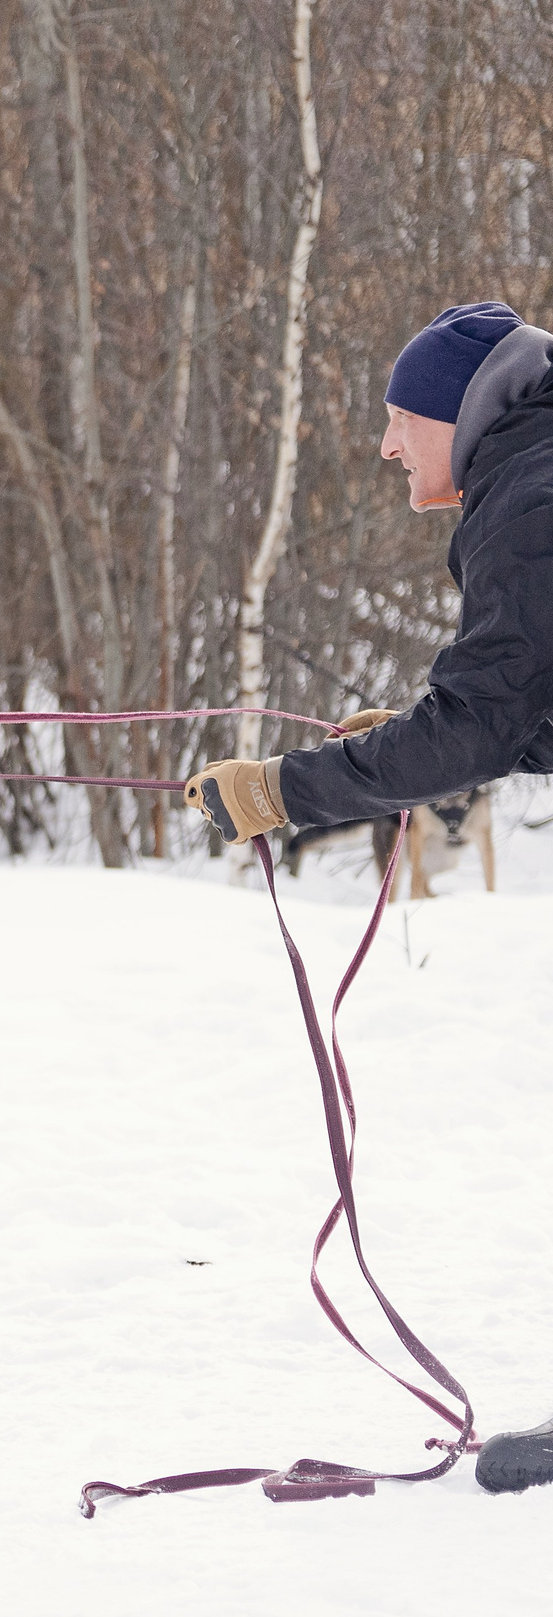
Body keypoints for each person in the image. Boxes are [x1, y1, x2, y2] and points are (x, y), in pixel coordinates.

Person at [185, 299, 553, 1492]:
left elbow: (479, 726)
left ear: (460, 415)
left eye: (401, 421)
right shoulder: (533, 480)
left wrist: (286, 789)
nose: (388, 446)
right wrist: (409, 741)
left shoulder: (532, 498)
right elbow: (515, 719)